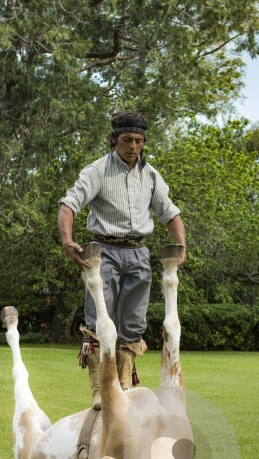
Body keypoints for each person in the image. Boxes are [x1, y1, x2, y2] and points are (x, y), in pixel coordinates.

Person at [58, 110, 186, 409]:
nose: (133, 146)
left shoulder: (150, 175)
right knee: (99, 321)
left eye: (139, 141)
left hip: (139, 253)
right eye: (127, 139)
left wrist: (181, 245)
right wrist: (67, 240)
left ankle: (125, 386)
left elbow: (170, 212)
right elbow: (69, 205)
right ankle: (100, 390)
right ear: (115, 139)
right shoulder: (98, 171)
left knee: (133, 325)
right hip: (102, 252)